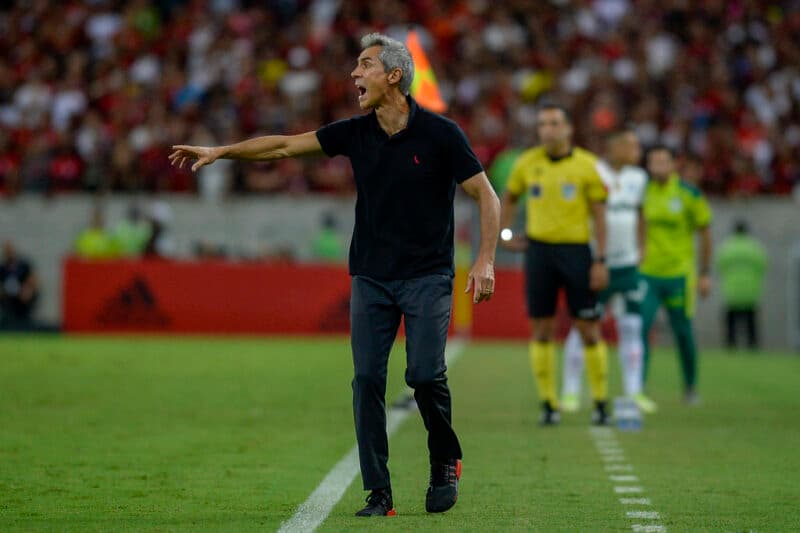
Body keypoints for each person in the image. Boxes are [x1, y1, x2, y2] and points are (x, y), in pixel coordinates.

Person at [169, 33, 500, 517]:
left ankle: (444, 458)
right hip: (370, 276)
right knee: (366, 378)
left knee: (425, 375)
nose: (353, 75)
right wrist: (223, 151)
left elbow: (486, 196)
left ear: (393, 76)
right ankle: (379, 493)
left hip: (427, 276)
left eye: (364, 65)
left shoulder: (441, 134)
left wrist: (486, 259)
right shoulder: (354, 132)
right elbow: (283, 146)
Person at [499, 102, 610, 426]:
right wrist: (506, 234)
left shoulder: (588, 165)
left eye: (554, 123)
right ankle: (549, 403)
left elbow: (600, 217)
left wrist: (600, 260)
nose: (548, 129)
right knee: (541, 329)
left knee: (588, 328)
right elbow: (509, 197)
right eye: (543, 124)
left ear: (568, 129)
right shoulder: (527, 163)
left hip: (577, 252)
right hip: (539, 253)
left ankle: (601, 402)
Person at [560, 129, 657, 414]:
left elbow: (640, 214)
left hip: (627, 265)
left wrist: (642, 248)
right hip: (596, 263)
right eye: (632, 145)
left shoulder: (638, 178)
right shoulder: (593, 171)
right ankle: (570, 392)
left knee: (632, 327)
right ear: (614, 148)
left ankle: (634, 391)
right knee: (583, 327)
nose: (637, 151)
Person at [640, 146, 713, 404]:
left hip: (680, 275)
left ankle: (690, 387)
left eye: (663, 161)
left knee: (682, 332)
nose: (658, 166)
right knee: (641, 328)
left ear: (673, 164)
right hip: (647, 274)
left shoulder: (689, 194)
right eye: (653, 161)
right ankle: (638, 387)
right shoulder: (642, 191)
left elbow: (705, 234)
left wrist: (704, 273)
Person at [715, 219, 767, 351]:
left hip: (732, 292)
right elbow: (763, 266)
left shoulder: (727, 247)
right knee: (751, 323)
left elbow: (719, 266)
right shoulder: (755, 247)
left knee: (731, 322)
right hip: (751, 292)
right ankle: (753, 346)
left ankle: (731, 346)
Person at [0, 241, 39, 328]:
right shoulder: (2, 267)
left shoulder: (23, 265)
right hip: (8, 294)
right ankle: (9, 319)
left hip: (22, 292)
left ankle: (25, 320)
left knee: (27, 294)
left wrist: (27, 288)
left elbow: (34, 280)